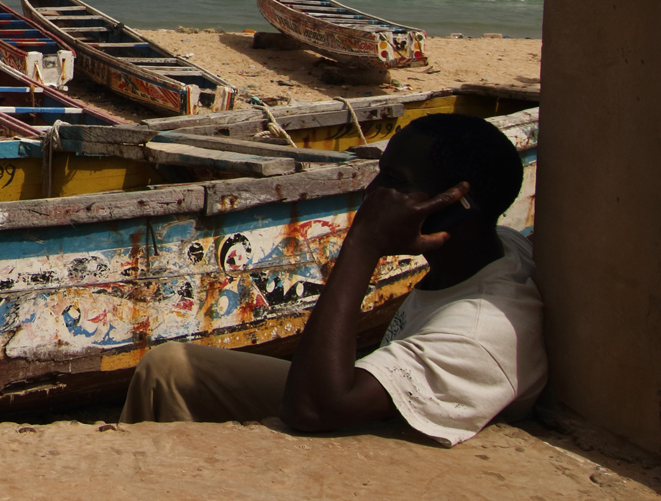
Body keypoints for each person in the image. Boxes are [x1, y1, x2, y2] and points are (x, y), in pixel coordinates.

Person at [120, 112, 546, 445]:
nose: (374, 193)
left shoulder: (478, 332)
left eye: (394, 183)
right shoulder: (499, 247)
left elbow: (313, 408)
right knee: (169, 368)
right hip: (364, 397)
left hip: (378, 437)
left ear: (455, 205)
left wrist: (364, 244)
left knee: (168, 372)